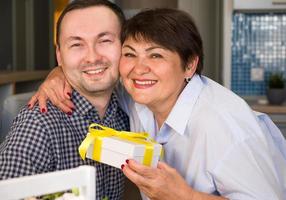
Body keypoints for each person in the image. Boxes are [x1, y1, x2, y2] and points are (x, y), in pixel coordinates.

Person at [29, 8, 286, 200]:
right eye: (130, 54)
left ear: (189, 65)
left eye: (156, 55)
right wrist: (60, 72)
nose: (139, 69)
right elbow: (95, 72)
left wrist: (185, 195)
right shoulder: (138, 97)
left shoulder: (225, 128)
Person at [0, 1, 129, 199]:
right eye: (77, 44)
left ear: (125, 47)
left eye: (104, 41)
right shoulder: (38, 123)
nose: (92, 57)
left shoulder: (129, 107)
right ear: (59, 56)